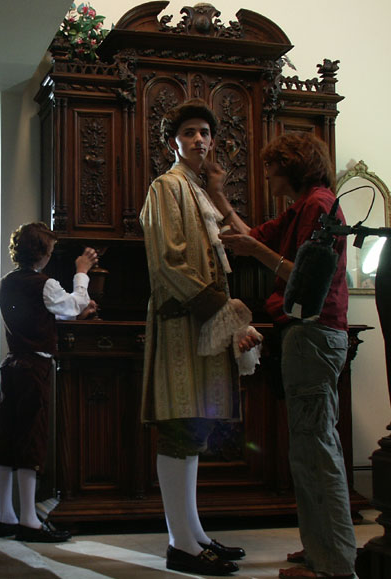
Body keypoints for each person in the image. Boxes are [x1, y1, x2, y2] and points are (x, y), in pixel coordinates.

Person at [217, 132, 356, 579]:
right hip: (307, 335)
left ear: (292, 165)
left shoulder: (319, 206)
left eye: (273, 166)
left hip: (314, 334)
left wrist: (257, 251)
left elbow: (306, 279)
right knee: (309, 447)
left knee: (316, 449)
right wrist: (218, 192)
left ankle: (334, 563)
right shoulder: (301, 208)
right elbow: (247, 235)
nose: (268, 174)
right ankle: (320, 548)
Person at [140, 98, 262, 576]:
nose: (197, 140)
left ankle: (193, 534)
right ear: (174, 141)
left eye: (204, 133)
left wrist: (219, 191)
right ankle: (180, 544)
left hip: (202, 327)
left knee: (192, 430)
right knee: (177, 427)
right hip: (180, 325)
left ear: (212, 141)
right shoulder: (165, 186)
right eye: (188, 132)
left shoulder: (198, 190)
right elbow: (168, 262)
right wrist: (226, 315)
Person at [0, 222, 97, 543]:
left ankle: (6, 517)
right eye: (49, 251)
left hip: (11, 364)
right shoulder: (45, 283)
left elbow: (44, 312)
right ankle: (29, 521)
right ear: (41, 253)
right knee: (31, 437)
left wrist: (72, 314)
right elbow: (73, 303)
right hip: (35, 366)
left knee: (6, 436)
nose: (51, 257)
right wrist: (82, 271)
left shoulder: (4, 283)